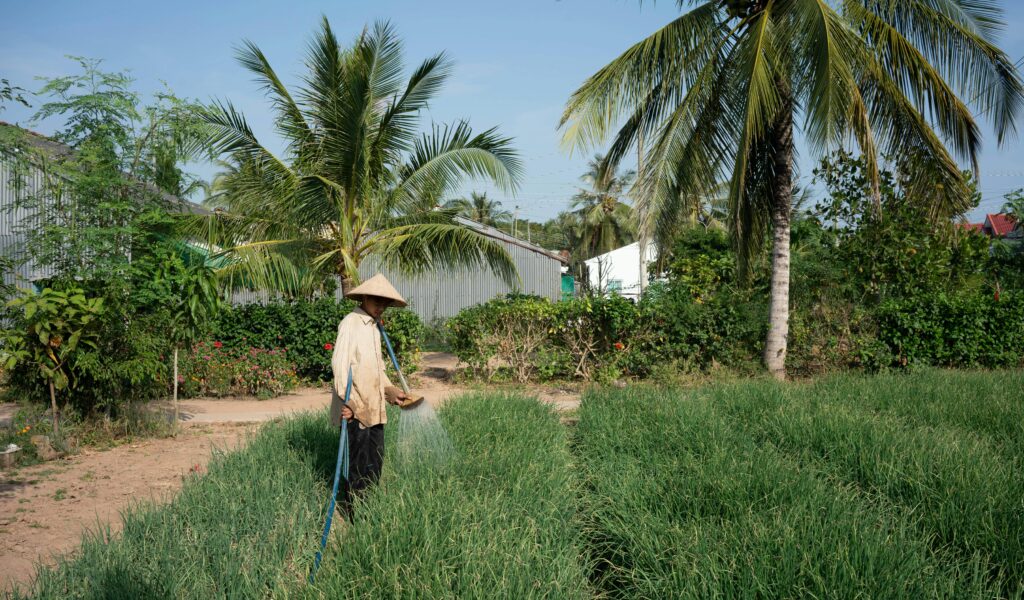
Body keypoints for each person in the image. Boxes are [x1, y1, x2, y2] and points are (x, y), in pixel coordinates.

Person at [330, 273, 409, 508]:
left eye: (384, 304)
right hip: (357, 408)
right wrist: (349, 402)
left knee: (375, 460)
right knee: (358, 463)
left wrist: (390, 390)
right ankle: (356, 512)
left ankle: (370, 507)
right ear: (364, 297)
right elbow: (340, 366)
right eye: (376, 302)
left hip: (375, 406)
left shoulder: (374, 327)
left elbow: (377, 369)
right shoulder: (351, 323)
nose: (380, 308)